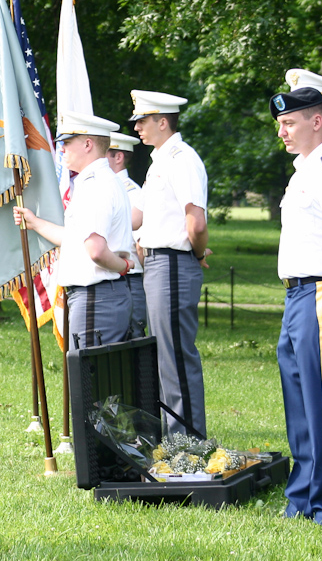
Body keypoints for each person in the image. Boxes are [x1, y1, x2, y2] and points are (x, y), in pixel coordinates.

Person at [13, 112, 133, 351]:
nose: (62, 149)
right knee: (98, 381)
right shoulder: (98, 180)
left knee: (91, 383)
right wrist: (35, 222)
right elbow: (74, 240)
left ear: (88, 144)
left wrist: (123, 267)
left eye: (67, 142)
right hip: (98, 297)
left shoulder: (95, 185)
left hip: (95, 298)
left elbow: (96, 250)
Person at [130, 89, 210, 437]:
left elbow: (196, 221)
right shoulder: (160, 160)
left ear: (163, 121)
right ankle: (178, 442)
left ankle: (189, 447)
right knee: (167, 358)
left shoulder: (181, 158)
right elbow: (141, 217)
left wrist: (193, 253)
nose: (137, 128)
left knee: (176, 357)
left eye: (142, 121)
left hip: (174, 264)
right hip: (160, 265)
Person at [271, 86, 322, 524]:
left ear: (317, 121)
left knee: (321, 402)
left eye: (289, 123)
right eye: (280, 124)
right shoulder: (303, 171)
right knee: (300, 402)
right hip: (296, 295)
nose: (282, 132)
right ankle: (303, 497)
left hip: (320, 294)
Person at [108, 131, 147, 338]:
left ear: (119, 157)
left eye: (104, 152)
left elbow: (141, 244)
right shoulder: (108, 189)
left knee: (133, 338)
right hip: (112, 277)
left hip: (130, 280)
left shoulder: (131, 193)